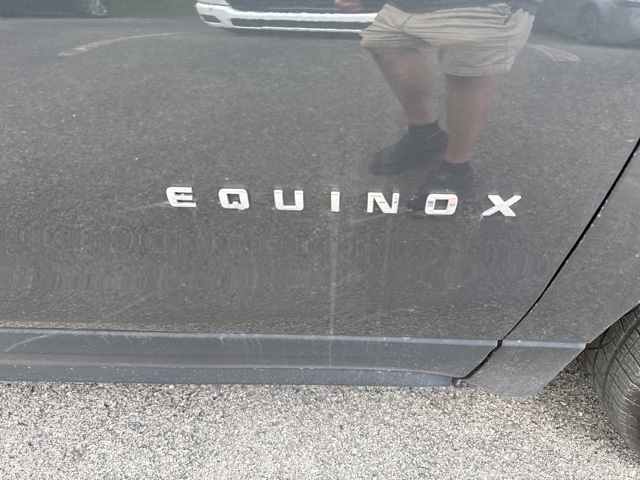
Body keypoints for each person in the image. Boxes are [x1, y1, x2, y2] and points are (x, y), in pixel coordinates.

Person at [337, 0, 541, 206]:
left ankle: (456, 168)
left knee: (467, 70)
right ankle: (426, 136)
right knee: (384, 42)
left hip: (482, 5)